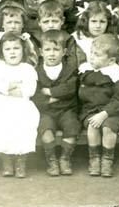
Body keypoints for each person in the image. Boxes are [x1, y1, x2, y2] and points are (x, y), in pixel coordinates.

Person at [0, 32, 40, 179]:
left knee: (24, 127)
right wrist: (16, 85)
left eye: (16, 48)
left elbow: (30, 90)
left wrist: (8, 87)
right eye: (8, 49)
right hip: (0, 107)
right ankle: (7, 162)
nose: (12, 52)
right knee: (1, 128)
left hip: (22, 106)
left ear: (23, 50)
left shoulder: (28, 69)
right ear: (1, 52)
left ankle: (21, 162)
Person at [78, 34, 119, 177]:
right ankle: (94, 159)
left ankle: (107, 159)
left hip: (113, 112)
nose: (92, 57)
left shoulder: (117, 74)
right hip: (90, 110)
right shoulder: (85, 69)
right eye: (92, 53)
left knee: (108, 127)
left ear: (111, 60)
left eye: (98, 55)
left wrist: (105, 113)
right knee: (92, 124)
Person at [32, 30, 80, 176]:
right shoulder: (37, 71)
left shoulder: (70, 70)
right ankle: (52, 161)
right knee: (45, 130)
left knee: (72, 127)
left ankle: (65, 159)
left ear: (64, 51)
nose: (52, 54)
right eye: (47, 50)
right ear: (41, 52)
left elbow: (71, 89)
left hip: (67, 110)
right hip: (47, 111)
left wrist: (50, 92)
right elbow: (36, 96)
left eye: (56, 49)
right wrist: (56, 97)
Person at [0, 1, 38, 66]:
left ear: (23, 24)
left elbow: (33, 61)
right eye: (9, 22)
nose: (13, 26)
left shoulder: (26, 40)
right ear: (2, 24)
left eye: (17, 22)